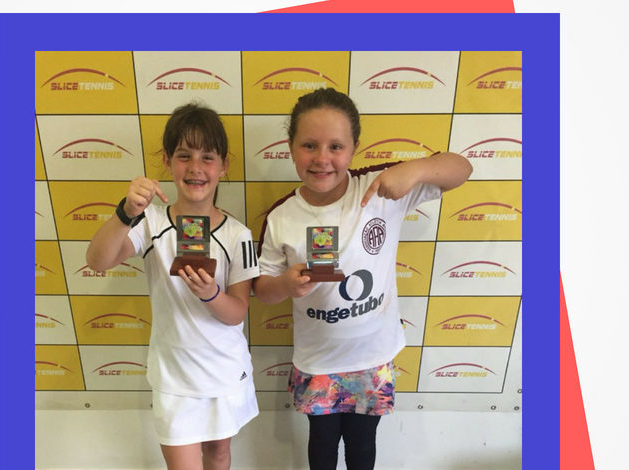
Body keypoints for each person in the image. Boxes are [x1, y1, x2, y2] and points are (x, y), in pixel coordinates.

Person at [253, 88, 473, 470]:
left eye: (336, 146)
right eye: (309, 145)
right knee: (322, 444)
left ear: (355, 148)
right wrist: (285, 285)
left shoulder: (381, 188)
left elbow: (461, 169)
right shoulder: (281, 217)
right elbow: (263, 291)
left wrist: (414, 169)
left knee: (363, 445)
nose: (322, 158)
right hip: (318, 361)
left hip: (373, 356)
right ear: (290, 148)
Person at [86, 103, 260, 470]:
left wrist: (211, 295)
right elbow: (98, 261)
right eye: (184, 156)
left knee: (219, 454)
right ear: (167, 161)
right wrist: (125, 212)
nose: (196, 167)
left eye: (207, 157)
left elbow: (237, 313)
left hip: (225, 372)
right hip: (174, 377)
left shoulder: (238, 234)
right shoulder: (148, 221)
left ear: (224, 165)